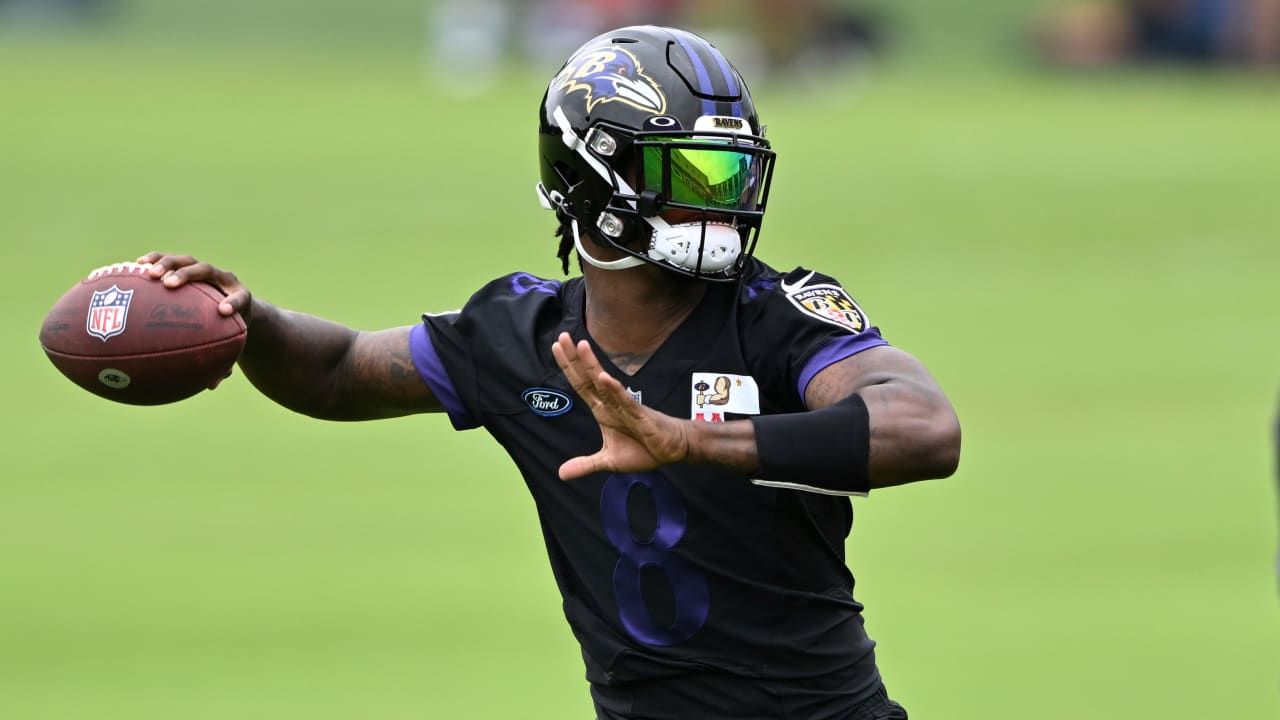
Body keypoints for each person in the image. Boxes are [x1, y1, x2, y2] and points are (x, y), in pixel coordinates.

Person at [140, 25, 960, 720]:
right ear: (597, 178)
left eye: (737, 174)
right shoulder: (517, 334)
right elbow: (337, 370)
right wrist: (248, 322)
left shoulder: (777, 314)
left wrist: (692, 440)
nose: (728, 203)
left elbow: (923, 428)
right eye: (698, 176)